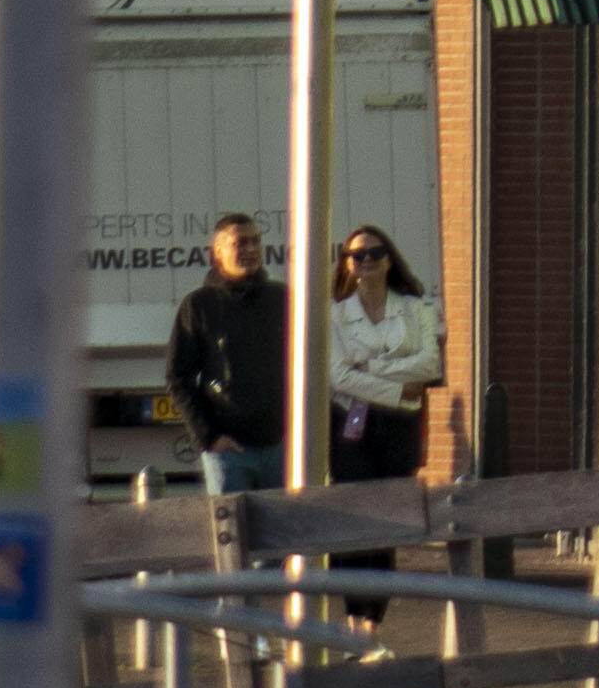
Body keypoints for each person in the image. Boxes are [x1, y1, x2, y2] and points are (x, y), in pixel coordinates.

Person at [157, 212, 295, 502]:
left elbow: (308, 367)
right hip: (229, 452)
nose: (250, 249)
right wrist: (208, 437)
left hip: (281, 447)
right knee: (232, 537)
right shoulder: (199, 305)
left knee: (287, 537)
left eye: (255, 241)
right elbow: (178, 377)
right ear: (217, 252)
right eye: (239, 243)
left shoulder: (282, 299)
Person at [319, 226, 440, 486]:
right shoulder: (334, 316)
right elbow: (340, 379)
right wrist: (399, 390)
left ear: (389, 259)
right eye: (358, 255)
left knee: (399, 495)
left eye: (376, 252)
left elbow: (430, 365)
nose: (368, 259)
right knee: (355, 489)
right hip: (354, 415)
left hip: (402, 419)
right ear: (347, 263)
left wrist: (370, 368)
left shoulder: (416, 308)